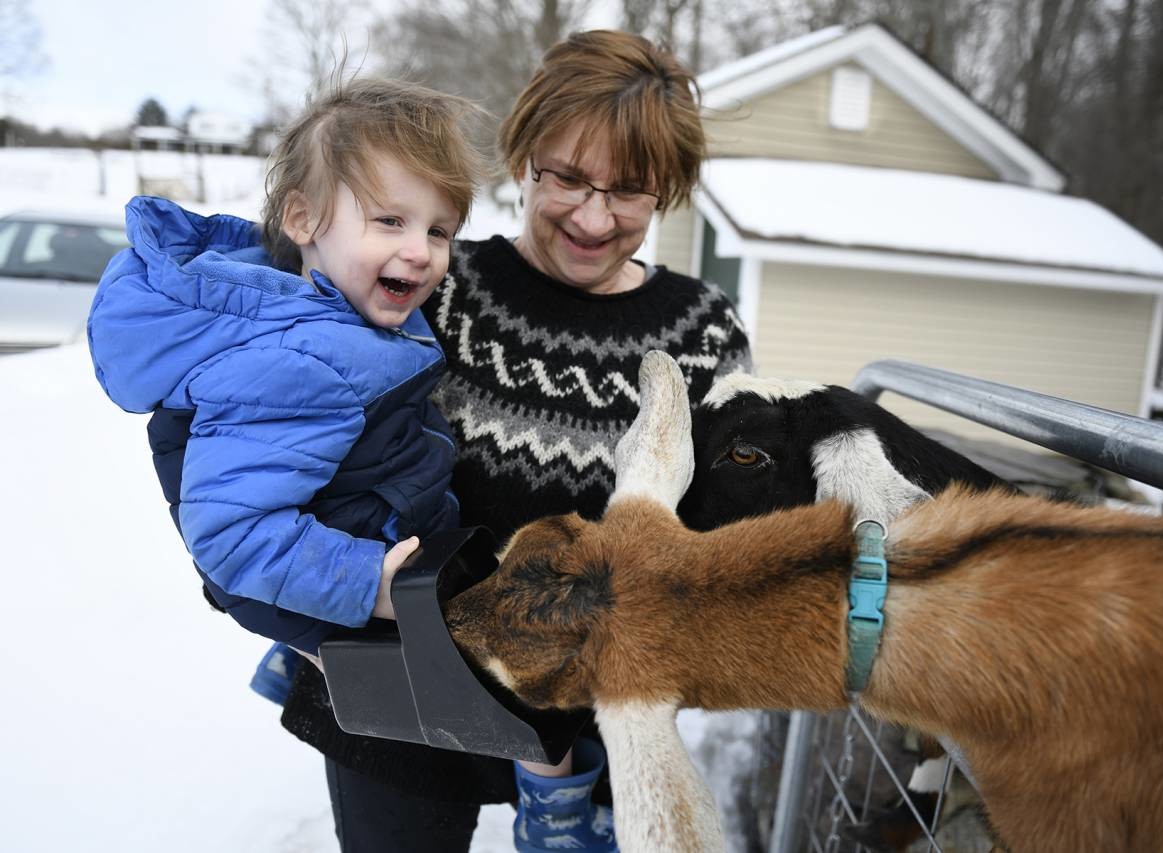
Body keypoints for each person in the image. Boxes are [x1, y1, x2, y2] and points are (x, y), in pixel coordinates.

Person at [277, 29, 754, 852]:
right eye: (565, 177)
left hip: (589, 723)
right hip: (401, 701)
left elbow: (723, 533)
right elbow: (303, 429)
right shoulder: (434, 283)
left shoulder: (702, 334)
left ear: (666, 192)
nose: (593, 216)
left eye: (630, 191)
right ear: (524, 155)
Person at [86, 78, 487, 850]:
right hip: (372, 587)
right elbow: (234, 533)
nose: (422, 251)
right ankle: (554, 795)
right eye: (390, 219)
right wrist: (369, 588)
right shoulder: (298, 355)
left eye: (440, 230)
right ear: (301, 218)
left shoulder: (324, 313)